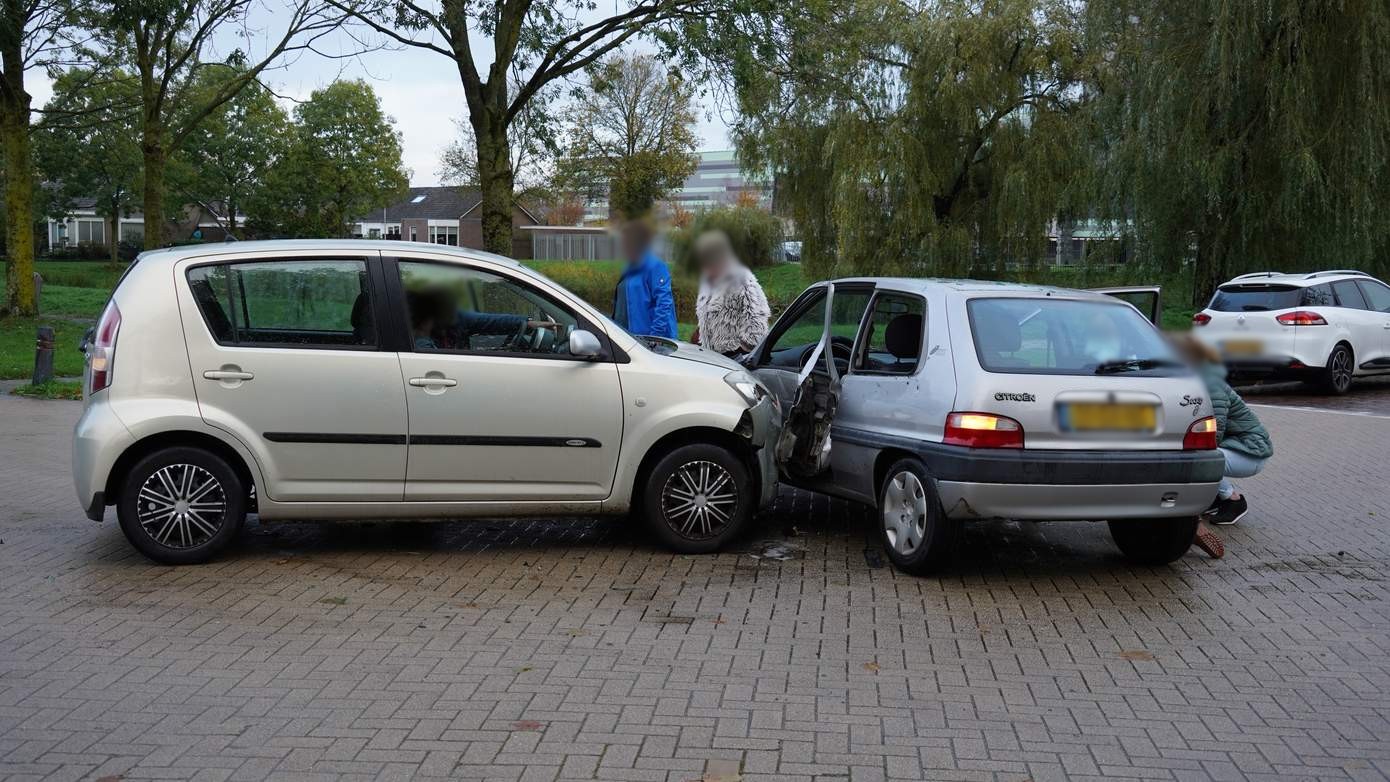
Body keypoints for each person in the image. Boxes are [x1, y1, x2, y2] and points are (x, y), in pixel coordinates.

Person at [1176, 335, 1274, 526]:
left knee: (1198, 459)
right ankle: (1214, 499)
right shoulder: (1196, 384)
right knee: (1194, 454)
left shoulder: (1211, 386)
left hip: (1251, 453)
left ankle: (1233, 500)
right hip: (1239, 448)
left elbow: (1215, 432)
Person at [691, 229, 770, 357]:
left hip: (735, 357)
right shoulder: (707, 282)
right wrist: (700, 337)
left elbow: (757, 317)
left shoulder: (742, 278)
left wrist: (742, 349)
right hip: (712, 356)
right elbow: (707, 318)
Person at [612, 220, 677, 339]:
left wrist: (654, 338)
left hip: (648, 343)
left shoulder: (655, 265)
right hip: (627, 340)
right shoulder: (629, 266)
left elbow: (664, 303)